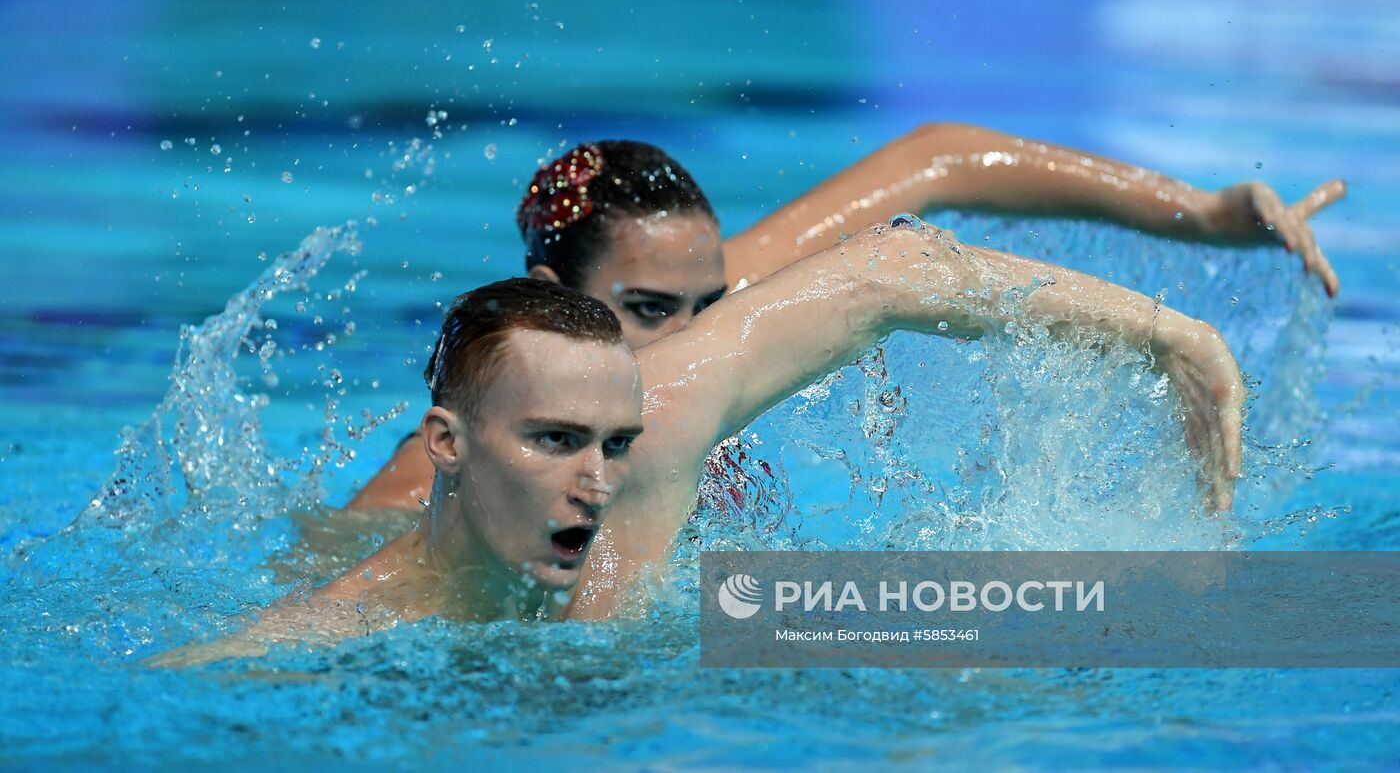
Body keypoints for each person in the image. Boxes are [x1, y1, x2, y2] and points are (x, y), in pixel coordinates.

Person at [154, 217, 1244, 663]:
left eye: (613, 443)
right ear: (446, 441)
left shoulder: (653, 437)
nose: (592, 483)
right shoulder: (335, 631)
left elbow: (893, 269)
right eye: (551, 441)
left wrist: (1179, 341)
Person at [348, 133, 1343, 511]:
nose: (690, 333)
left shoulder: (702, 325)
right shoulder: (455, 467)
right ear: (552, 294)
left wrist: (1207, 213)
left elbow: (944, 160)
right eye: (645, 311)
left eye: (709, 301)